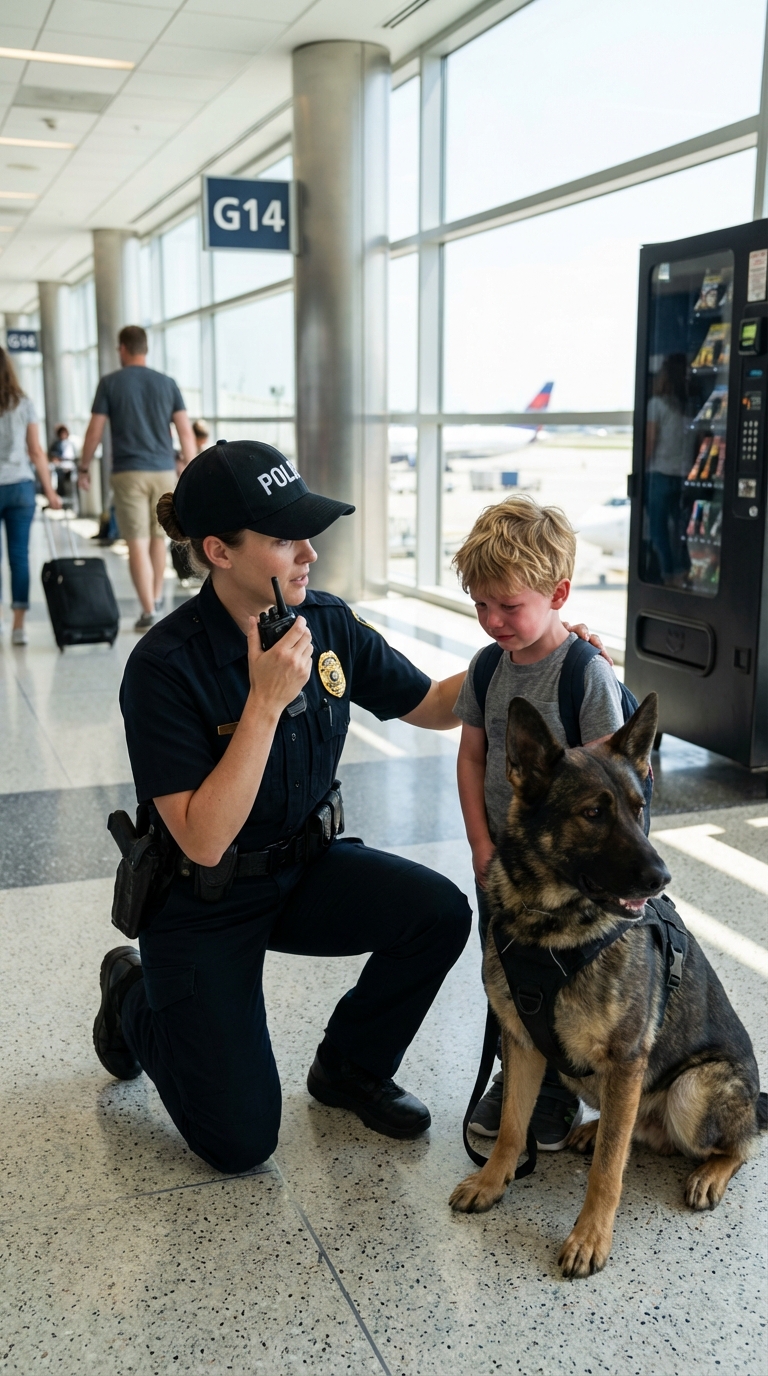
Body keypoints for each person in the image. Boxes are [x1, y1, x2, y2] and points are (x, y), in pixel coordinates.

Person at [92, 439, 473, 1173]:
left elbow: (429, 703)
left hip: (304, 867)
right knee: (240, 1143)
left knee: (438, 913)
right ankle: (132, 991)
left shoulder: (325, 623)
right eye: (283, 539)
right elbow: (202, 839)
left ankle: (350, 1066)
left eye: (306, 533)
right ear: (219, 552)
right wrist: (264, 702)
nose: (310, 554)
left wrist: (528, 652)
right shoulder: (163, 669)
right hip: (202, 899)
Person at [452, 495, 625, 1148]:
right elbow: (472, 756)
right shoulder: (488, 667)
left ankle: (556, 1091)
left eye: (509, 606)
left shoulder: (585, 675)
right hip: (501, 867)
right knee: (505, 973)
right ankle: (514, 1069)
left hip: (568, 879)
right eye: (481, 605)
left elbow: (620, 781)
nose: (493, 621)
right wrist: (478, 843)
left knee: (568, 980)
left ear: (559, 594)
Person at [77, 325, 197, 631]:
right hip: (163, 471)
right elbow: (185, 431)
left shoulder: (110, 383)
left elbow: (94, 430)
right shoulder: (167, 383)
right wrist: (194, 471)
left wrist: (84, 466)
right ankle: (154, 602)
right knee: (159, 541)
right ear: (145, 348)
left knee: (137, 543)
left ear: (123, 349)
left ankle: (148, 610)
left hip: (129, 472)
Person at [0, 347, 61, 645]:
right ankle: (18, 626)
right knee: (19, 557)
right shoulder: (23, 402)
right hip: (21, 488)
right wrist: (50, 491)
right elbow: (36, 451)